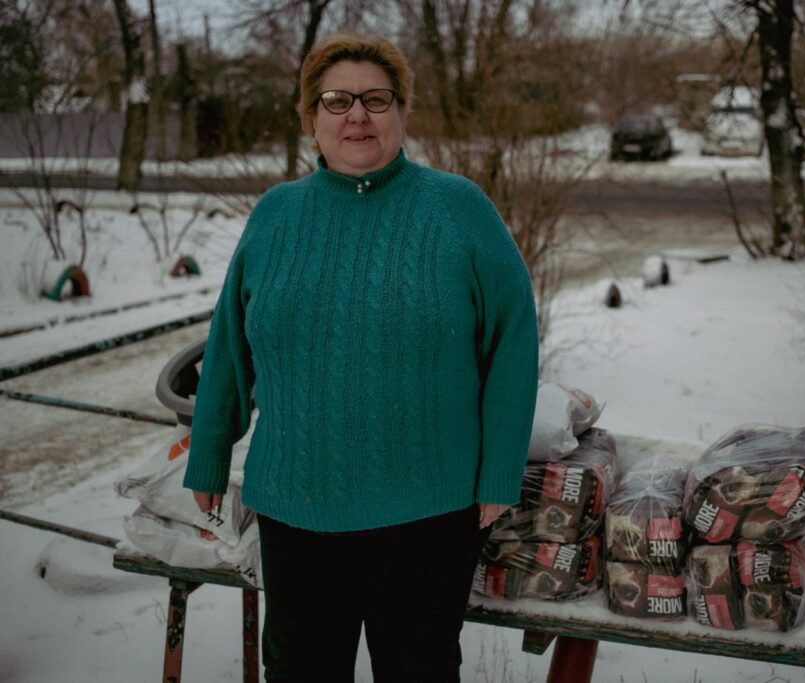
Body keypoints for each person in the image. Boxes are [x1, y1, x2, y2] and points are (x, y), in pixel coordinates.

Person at [182, 32, 539, 682]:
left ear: (401, 112)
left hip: (428, 513)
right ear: (311, 117)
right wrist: (208, 452)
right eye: (337, 100)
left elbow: (514, 334)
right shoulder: (276, 214)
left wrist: (497, 474)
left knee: (419, 669)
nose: (357, 116)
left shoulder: (457, 208)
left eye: (375, 99)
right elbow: (231, 342)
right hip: (297, 506)